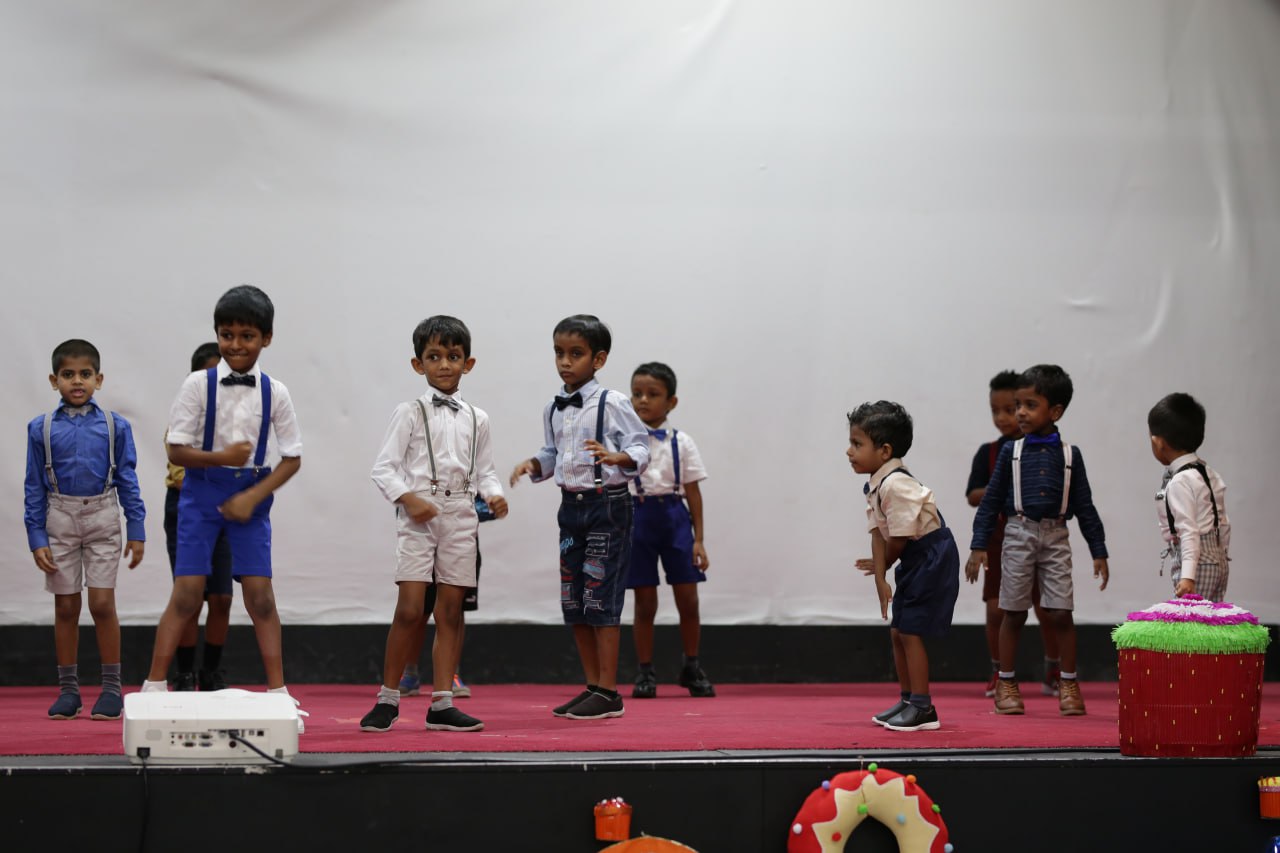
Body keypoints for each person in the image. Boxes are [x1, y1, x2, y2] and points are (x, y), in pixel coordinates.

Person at [141, 285, 306, 732]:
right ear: (217, 334)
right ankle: (155, 686)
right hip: (200, 494)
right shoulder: (198, 384)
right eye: (227, 335)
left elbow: (292, 457)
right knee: (188, 593)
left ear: (266, 338)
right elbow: (176, 449)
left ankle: (278, 693)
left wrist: (253, 495)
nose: (236, 344)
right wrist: (220, 458)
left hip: (252, 495)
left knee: (260, 596)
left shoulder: (276, 392)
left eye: (247, 336)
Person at [361, 316, 507, 733]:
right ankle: (388, 698)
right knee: (410, 608)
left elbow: (485, 471)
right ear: (418, 364)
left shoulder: (478, 418)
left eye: (453, 356)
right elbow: (383, 468)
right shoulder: (409, 412)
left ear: (468, 363)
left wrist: (494, 494)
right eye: (434, 356)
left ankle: (442, 702)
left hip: (461, 515)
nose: (444, 364)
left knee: (451, 611)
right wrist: (408, 499)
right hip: (419, 515)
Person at [510, 314, 649, 721]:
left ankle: (609, 690)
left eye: (576, 354)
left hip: (608, 506)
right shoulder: (554, 407)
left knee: (600, 595)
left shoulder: (613, 403)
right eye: (559, 353)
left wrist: (619, 457)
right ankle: (592, 685)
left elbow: (641, 447)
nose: (565, 362)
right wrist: (534, 464)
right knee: (574, 598)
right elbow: (553, 453)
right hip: (570, 508)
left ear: (598, 359)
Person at [965, 364, 1109, 717]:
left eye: (1030, 405)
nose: (1020, 413)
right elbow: (990, 502)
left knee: (1060, 611)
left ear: (1055, 411)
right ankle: (1006, 682)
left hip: (1056, 535)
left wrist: (1099, 550)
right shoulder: (1011, 453)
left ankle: (1068, 682)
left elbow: (1085, 506)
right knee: (1012, 612)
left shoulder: (1070, 456)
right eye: (1018, 405)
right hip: (1017, 533)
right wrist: (978, 546)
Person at [25, 339, 146, 721]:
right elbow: (34, 486)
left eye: (85, 374)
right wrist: (36, 536)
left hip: (103, 517)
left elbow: (127, 478)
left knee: (102, 604)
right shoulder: (41, 428)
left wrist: (136, 527)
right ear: (54, 380)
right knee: (65, 606)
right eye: (68, 374)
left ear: (98, 379)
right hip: (59, 519)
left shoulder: (115, 426)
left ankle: (111, 689)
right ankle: (69, 691)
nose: (77, 381)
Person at [848, 401, 960, 732]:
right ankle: (908, 699)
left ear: (884, 451)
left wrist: (884, 568)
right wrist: (879, 576)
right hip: (914, 556)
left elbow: (897, 538)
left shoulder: (896, 484)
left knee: (910, 631)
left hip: (930, 556)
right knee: (898, 630)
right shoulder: (876, 484)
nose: (849, 451)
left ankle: (923, 707)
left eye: (857, 444)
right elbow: (878, 534)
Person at [965, 370, 1060, 699]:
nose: (1005, 417)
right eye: (996, 410)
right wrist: (1000, 489)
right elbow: (973, 495)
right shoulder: (989, 453)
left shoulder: (1046, 450)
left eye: (1013, 408)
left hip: (1039, 534)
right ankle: (999, 670)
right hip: (999, 536)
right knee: (996, 609)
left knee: (1048, 608)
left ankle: (1054, 667)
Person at [625, 362, 714, 699]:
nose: (643, 400)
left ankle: (691, 666)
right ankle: (645, 671)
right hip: (638, 517)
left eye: (652, 394)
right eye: (637, 393)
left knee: (688, 598)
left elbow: (694, 493)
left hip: (675, 518)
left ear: (671, 402)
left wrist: (699, 540)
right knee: (644, 601)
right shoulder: (623, 442)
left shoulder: (683, 442)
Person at [163, 342, 234, 691]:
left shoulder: (238, 421)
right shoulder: (185, 417)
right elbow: (181, 472)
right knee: (189, 596)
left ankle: (211, 672)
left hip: (228, 511)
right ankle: (184, 671)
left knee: (222, 597)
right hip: (187, 508)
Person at [397, 495, 496, 699]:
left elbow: (488, 503)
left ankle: (452, 674)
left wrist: (485, 505)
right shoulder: (416, 475)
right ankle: (409, 672)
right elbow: (402, 498)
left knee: (454, 610)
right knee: (418, 610)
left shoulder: (475, 473)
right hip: (423, 537)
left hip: (460, 539)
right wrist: (421, 508)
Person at [1148, 392, 1231, 601]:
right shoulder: (1208, 472)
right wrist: (1221, 554)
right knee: (1211, 615)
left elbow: (1188, 530)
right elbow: (1223, 522)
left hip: (1195, 562)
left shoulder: (1180, 481)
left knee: (1189, 618)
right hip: (1218, 560)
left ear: (1158, 443)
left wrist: (1187, 576)